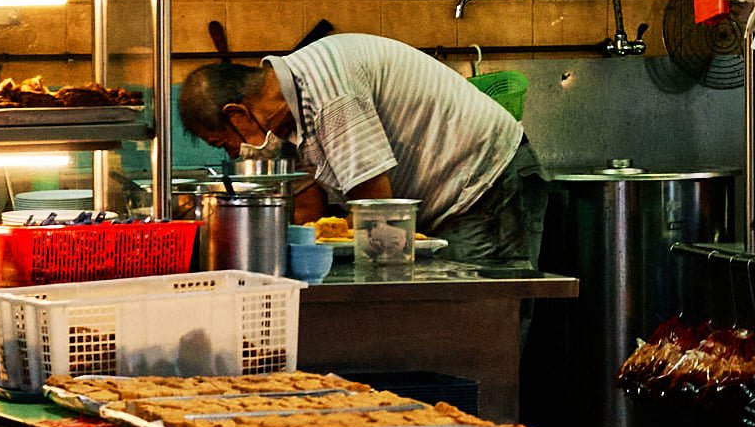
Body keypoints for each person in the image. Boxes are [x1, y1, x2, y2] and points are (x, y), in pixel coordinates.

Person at [178, 33, 545, 266]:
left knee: (480, 321)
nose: (232, 155)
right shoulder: (289, 118)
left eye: (221, 143)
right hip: (447, 198)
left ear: (237, 114)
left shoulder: (328, 96)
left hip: (484, 187)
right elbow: (308, 211)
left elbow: (375, 207)